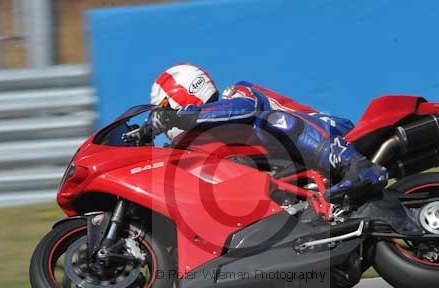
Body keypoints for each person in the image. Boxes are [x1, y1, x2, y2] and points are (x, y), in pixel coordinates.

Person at [148, 63, 387, 203]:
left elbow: (245, 108)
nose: (164, 118)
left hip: (329, 131)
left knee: (267, 122)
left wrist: (181, 115)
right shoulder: (214, 141)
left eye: (165, 109)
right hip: (296, 167)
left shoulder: (237, 94)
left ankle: (356, 167)